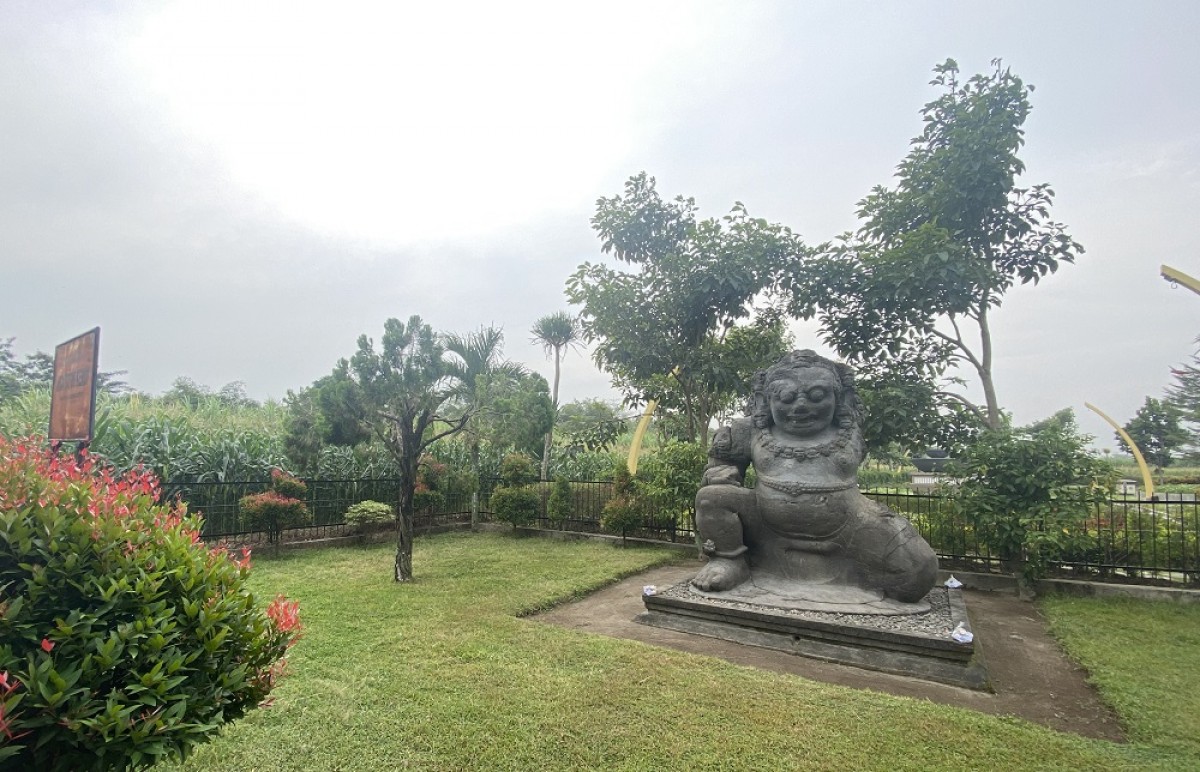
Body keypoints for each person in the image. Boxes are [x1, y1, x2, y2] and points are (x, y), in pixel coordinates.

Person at [691, 350, 937, 604]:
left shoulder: (847, 429)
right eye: (785, 397)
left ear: (838, 398)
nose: (800, 406)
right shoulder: (752, 430)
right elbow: (720, 463)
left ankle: (859, 574)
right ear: (766, 400)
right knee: (712, 497)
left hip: (849, 524)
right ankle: (730, 561)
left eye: (817, 396)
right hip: (766, 520)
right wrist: (722, 472)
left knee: (918, 572)